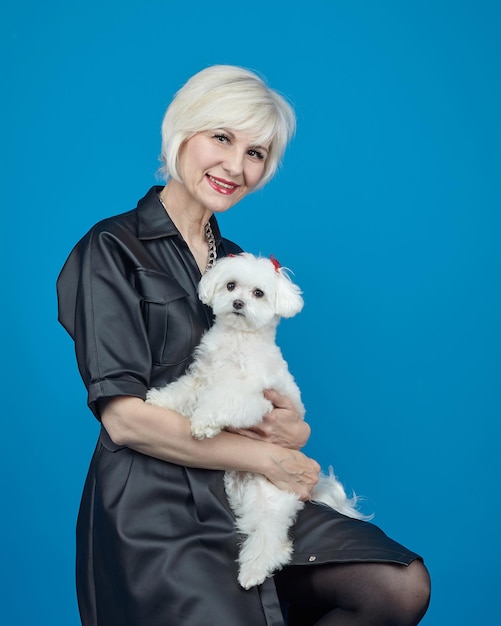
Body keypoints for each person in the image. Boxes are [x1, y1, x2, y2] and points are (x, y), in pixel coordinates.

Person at [57, 65, 430, 626]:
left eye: (256, 152)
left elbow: (260, 387)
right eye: (222, 138)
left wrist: (293, 430)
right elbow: (126, 422)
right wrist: (270, 457)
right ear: (183, 131)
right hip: (152, 505)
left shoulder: (235, 260)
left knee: (396, 585)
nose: (236, 165)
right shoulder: (111, 248)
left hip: (246, 491)